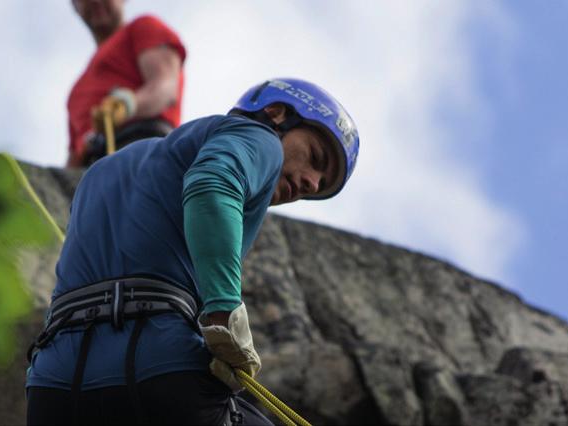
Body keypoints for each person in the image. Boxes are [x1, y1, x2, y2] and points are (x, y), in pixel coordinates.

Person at [27, 78, 360, 425]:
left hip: (53, 382)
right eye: (316, 158)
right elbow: (213, 184)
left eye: (320, 185)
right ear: (276, 114)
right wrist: (223, 312)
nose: (312, 183)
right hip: (155, 360)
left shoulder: (103, 170)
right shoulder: (260, 139)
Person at [66, 0, 186, 167]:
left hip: (142, 149)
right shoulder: (75, 94)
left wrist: (126, 105)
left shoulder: (144, 26)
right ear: (74, 6)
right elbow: (73, 157)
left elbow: (165, 87)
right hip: (88, 176)